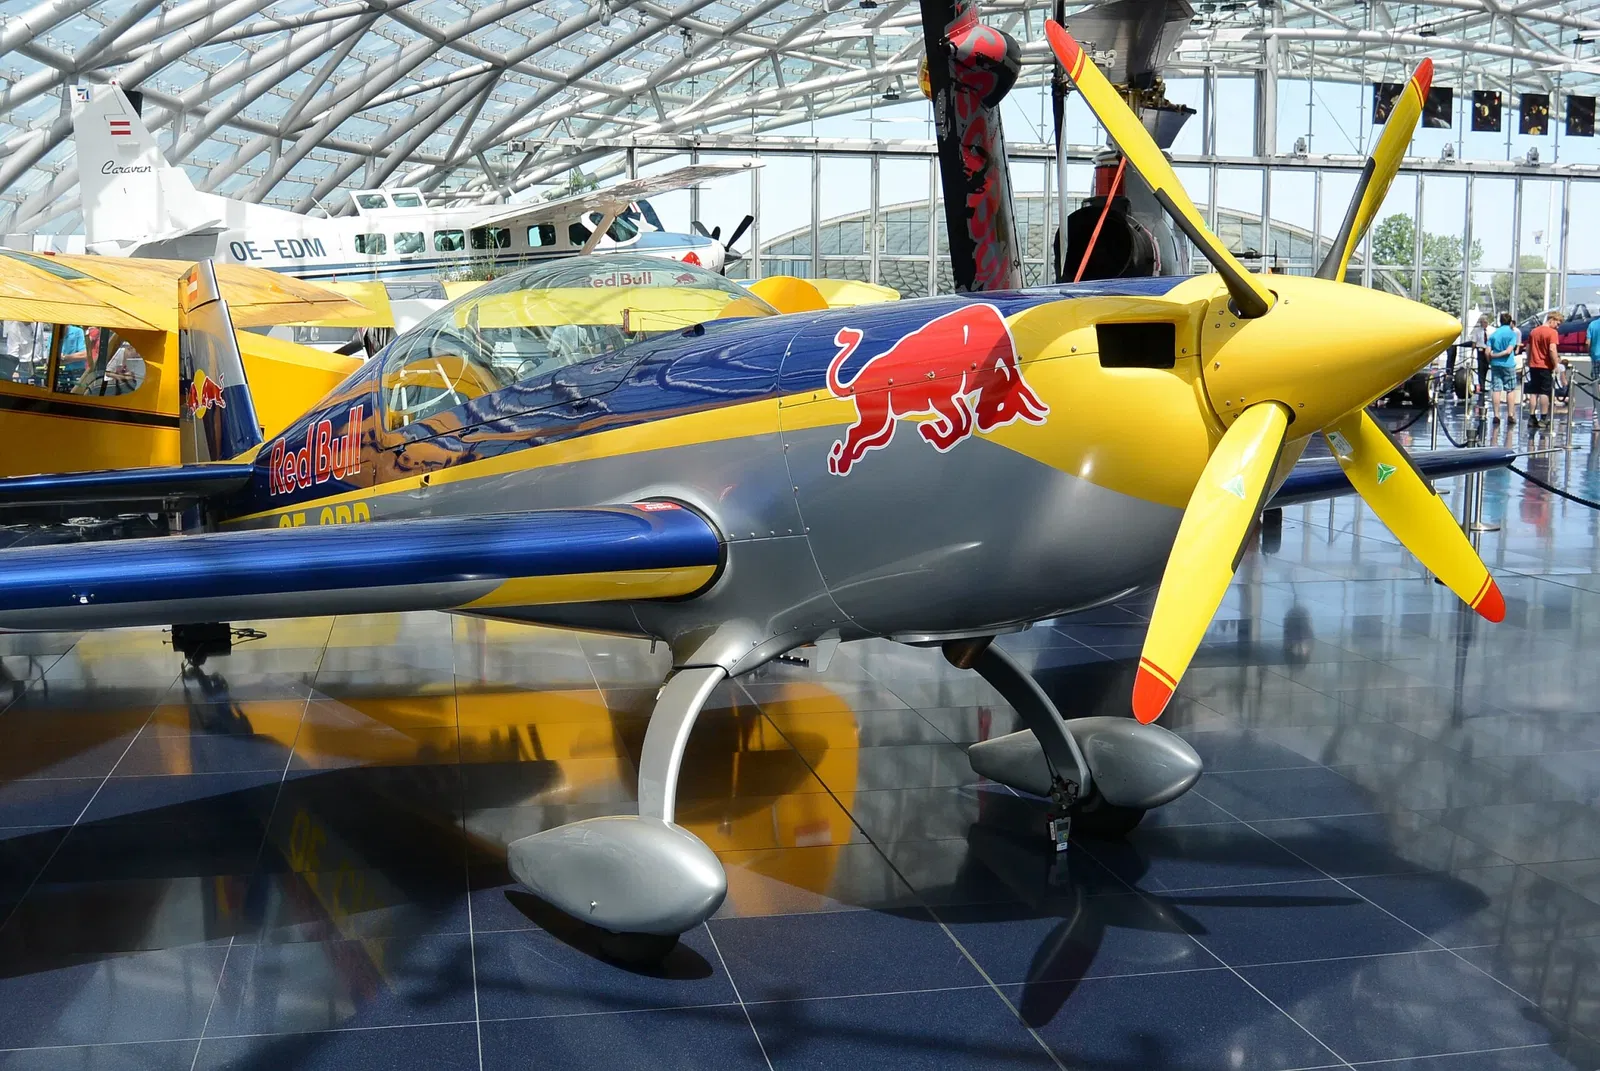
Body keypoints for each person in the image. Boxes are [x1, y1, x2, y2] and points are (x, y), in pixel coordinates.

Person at [1526, 310, 1562, 429]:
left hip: (1533, 365)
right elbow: (1552, 349)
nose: (1558, 327)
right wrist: (1555, 364)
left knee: (1533, 392)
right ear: (1552, 320)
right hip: (1545, 366)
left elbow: (1528, 348)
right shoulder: (1552, 333)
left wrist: (1528, 361)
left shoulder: (1534, 331)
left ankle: (1531, 417)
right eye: (1557, 323)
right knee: (1544, 392)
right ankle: (1543, 418)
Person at [1487, 312, 1520, 424]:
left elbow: (1487, 352)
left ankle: (1496, 415)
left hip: (1495, 365)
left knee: (1496, 389)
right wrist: (1498, 355)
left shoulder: (1493, 334)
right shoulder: (1512, 334)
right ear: (1510, 322)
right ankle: (1510, 414)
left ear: (1500, 321)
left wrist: (1491, 359)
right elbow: (1509, 351)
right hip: (1508, 364)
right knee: (1510, 390)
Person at [1470, 314, 1491, 398]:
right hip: (1480, 350)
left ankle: (1484, 384)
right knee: (1481, 368)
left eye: (1486, 322)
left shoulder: (1490, 331)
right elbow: (1474, 342)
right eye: (1483, 322)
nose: (1485, 324)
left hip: (1488, 350)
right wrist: (1472, 352)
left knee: (1486, 368)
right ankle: (1481, 385)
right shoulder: (1477, 331)